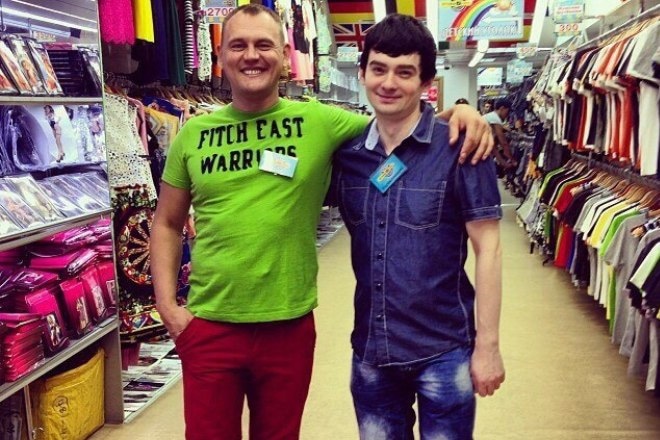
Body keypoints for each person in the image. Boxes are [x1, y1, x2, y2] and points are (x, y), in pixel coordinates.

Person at [150, 4, 493, 440]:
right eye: (238, 45)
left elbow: (396, 117)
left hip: (288, 326)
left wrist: (459, 113)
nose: (251, 55)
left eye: (263, 44)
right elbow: (167, 222)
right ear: (220, 55)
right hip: (210, 322)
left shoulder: (320, 120)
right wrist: (168, 308)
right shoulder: (192, 134)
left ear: (284, 55)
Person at [331, 14, 505, 439]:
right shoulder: (348, 155)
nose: (389, 83)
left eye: (404, 72)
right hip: (371, 350)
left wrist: (488, 346)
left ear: (426, 80)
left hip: (443, 350)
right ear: (362, 72)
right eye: (379, 69)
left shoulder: (462, 148)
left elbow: (489, 248)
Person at [483, 98, 516, 172]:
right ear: (502, 108)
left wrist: (502, 162)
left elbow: (492, 146)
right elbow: (503, 143)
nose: (508, 115)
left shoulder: (490, 117)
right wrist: (513, 160)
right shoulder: (495, 119)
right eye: (508, 111)